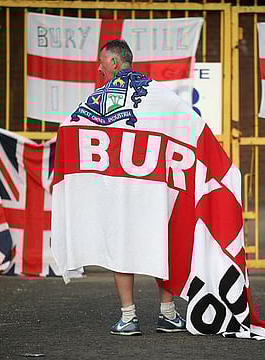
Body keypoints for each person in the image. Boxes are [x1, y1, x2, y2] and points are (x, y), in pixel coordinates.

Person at [97, 40, 187, 336]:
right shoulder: (159, 93)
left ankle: (128, 317)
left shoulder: (100, 98)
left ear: (114, 62)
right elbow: (187, 124)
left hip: (120, 185)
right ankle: (168, 314)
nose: (99, 68)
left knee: (122, 246)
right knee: (162, 244)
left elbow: (74, 128)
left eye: (102, 62)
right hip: (153, 182)